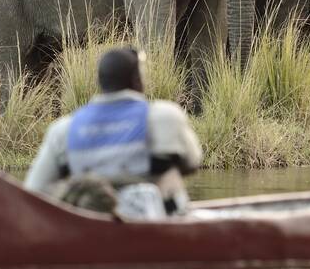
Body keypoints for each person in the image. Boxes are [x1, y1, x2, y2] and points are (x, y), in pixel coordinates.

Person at [24, 47, 202, 217]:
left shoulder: (63, 129)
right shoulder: (164, 116)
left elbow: (35, 189)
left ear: (100, 82)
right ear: (137, 81)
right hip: (155, 226)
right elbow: (193, 162)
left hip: (90, 226)